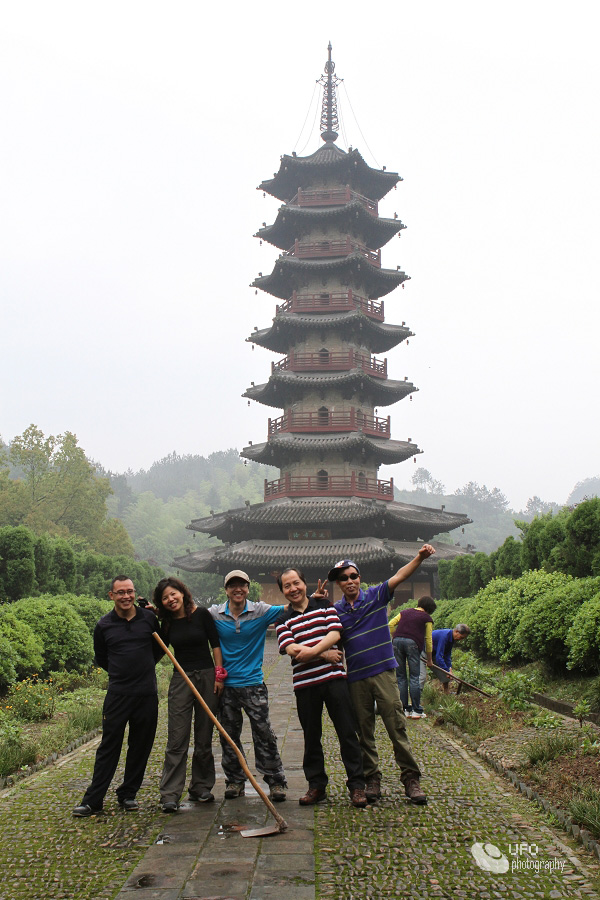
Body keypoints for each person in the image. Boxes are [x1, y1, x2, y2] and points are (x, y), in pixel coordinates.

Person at [327, 546, 436, 805]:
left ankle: (410, 778)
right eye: (343, 578)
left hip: (384, 673)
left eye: (353, 576)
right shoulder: (336, 612)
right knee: (363, 731)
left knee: (396, 725)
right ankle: (372, 778)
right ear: (338, 584)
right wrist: (316, 599)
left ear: (359, 578)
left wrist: (419, 557)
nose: (349, 581)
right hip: (356, 678)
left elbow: (399, 576)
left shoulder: (376, 596)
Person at [275, 568, 367, 808]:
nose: (293, 589)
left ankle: (357, 785)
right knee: (311, 736)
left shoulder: (324, 605)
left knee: (347, 732)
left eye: (296, 583)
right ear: (282, 591)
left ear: (304, 583)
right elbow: (292, 650)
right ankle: (316, 785)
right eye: (287, 586)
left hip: (334, 680)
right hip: (305, 685)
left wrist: (312, 652)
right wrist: (324, 654)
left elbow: (335, 634)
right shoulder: (282, 619)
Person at [72, 576, 163, 817]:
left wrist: (142, 668)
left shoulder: (149, 619)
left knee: (140, 746)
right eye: (120, 592)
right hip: (118, 694)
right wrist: (122, 673)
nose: (126, 596)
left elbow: (158, 650)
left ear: (135, 593)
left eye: (130, 591)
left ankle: (128, 794)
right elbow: (102, 658)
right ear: (111, 595)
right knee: (108, 746)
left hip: (146, 694)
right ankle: (93, 800)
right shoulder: (104, 625)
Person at [208, 570, 287, 802]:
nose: (238, 589)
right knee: (228, 736)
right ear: (226, 590)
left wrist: (315, 599)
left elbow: (291, 607)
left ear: (248, 588)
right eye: (232, 585)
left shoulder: (260, 611)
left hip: (253, 684)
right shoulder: (215, 614)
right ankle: (235, 780)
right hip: (227, 687)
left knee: (264, 733)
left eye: (242, 585)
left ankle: (276, 781)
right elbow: (189, 614)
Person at [154, 576, 225, 813]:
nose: (170, 599)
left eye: (173, 594)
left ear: (182, 593)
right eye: (165, 598)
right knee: (177, 738)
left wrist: (218, 675)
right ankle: (170, 794)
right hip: (181, 679)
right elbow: (159, 649)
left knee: (204, 735)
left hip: (207, 677)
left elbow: (215, 644)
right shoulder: (166, 623)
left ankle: (201, 787)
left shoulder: (201, 614)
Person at [388, 595, 437, 719]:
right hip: (413, 644)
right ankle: (416, 710)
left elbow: (390, 624)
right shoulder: (427, 618)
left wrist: (396, 636)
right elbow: (428, 640)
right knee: (414, 677)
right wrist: (429, 660)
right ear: (429, 609)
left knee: (401, 677)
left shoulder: (404, 612)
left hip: (396, 643)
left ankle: (404, 709)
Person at [427, 625, 471, 693]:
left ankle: (446, 692)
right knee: (421, 675)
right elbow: (439, 656)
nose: (461, 640)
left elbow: (447, 655)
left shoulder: (451, 639)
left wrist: (449, 668)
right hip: (424, 650)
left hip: (433, 653)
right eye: (461, 637)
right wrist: (446, 670)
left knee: (445, 672)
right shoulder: (444, 636)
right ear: (456, 631)